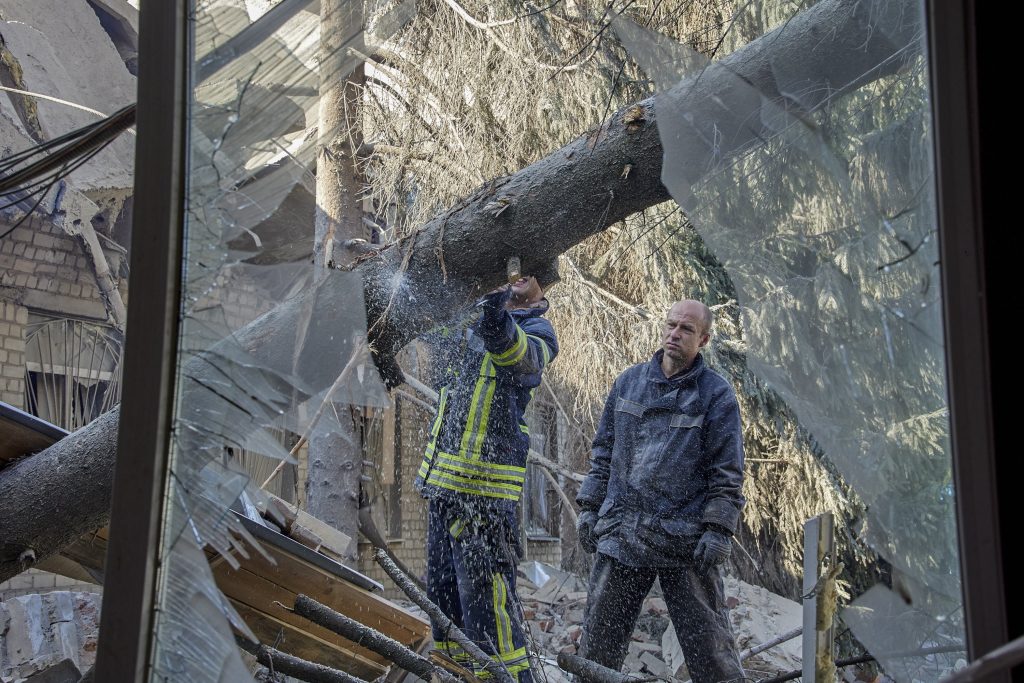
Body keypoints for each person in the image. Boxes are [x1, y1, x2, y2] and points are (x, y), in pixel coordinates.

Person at [575, 299, 746, 683]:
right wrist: (589, 505)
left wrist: (719, 529)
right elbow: (603, 453)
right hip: (621, 532)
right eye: (671, 325)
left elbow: (727, 471)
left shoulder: (715, 395)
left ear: (703, 339)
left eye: (686, 329)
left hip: (683, 540)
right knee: (597, 649)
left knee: (711, 652)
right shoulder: (629, 383)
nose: (675, 334)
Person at [415, 264, 560, 683]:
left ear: (543, 282)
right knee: (444, 599)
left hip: (484, 494)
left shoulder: (539, 332)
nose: (517, 275)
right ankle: (454, 674)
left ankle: (505, 678)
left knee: (487, 608)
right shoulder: (472, 317)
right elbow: (430, 333)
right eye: (513, 269)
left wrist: (493, 309)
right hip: (443, 484)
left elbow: (517, 359)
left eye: (528, 271)